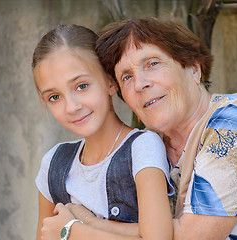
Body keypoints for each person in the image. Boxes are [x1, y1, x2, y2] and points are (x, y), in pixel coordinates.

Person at [48, 17, 237, 239]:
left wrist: (81, 226)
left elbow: (190, 235)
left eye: (152, 63)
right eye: (126, 77)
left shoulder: (235, 119)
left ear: (194, 70)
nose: (140, 84)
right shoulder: (150, 147)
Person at [32, 24, 174, 240]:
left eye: (81, 86)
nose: (71, 106)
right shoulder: (53, 164)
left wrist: (71, 230)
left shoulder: (142, 147)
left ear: (110, 81)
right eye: (54, 97)